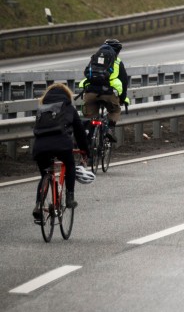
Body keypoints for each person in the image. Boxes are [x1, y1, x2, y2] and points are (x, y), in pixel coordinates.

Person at [31, 82, 90, 223]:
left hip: (40, 147)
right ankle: (70, 197)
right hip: (62, 145)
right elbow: (80, 132)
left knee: (45, 174)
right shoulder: (68, 107)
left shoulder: (41, 109)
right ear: (67, 95)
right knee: (69, 165)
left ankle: (39, 205)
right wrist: (85, 151)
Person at [79, 38, 129, 138]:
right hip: (108, 93)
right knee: (115, 110)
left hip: (91, 92)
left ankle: (88, 137)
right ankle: (109, 130)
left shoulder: (95, 58)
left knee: (89, 118)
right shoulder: (117, 62)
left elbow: (87, 73)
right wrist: (122, 99)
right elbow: (124, 82)